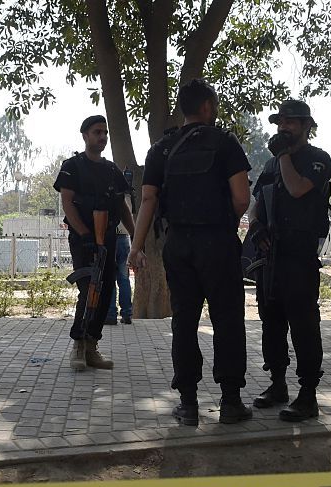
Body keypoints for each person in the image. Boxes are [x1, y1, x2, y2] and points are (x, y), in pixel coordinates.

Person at [129, 78, 253, 427]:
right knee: (227, 320)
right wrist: (221, 222)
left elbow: (148, 200)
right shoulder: (226, 143)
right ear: (208, 107)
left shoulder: (161, 149)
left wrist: (136, 247)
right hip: (218, 243)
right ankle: (230, 402)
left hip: (178, 245)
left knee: (184, 321)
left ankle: (188, 404)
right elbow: (242, 198)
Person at [247, 99, 331, 422]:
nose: (283, 128)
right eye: (280, 122)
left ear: (307, 126)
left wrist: (283, 155)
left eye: (291, 123)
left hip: (300, 255)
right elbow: (256, 202)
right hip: (271, 256)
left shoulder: (317, 160)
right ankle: (277, 384)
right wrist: (255, 225)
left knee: (304, 327)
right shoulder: (270, 166)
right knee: (272, 324)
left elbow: (297, 190)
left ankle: (308, 394)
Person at [54, 115, 136, 370]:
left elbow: (122, 207)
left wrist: (136, 238)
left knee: (106, 290)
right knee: (89, 289)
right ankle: (78, 345)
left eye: (105, 133)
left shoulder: (111, 170)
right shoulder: (73, 166)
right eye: (97, 132)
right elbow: (67, 202)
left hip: (108, 237)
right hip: (83, 239)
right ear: (85, 136)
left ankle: (92, 346)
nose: (102, 137)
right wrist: (85, 235)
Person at [105, 220, 133, 325]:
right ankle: (127, 314)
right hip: (124, 236)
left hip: (108, 237)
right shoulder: (128, 202)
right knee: (124, 279)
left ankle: (111, 314)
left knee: (109, 279)